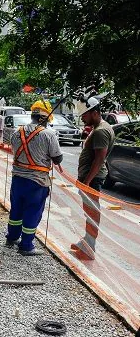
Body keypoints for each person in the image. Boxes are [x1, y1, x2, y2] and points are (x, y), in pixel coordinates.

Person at [6, 100, 63, 256]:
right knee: (32, 212)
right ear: (43, 119)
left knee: (16, 209)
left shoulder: (17, 132)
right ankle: (26, 245)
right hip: (36, 182)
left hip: (18, 179)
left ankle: (11, 237)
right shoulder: (48, 134)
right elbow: (58, 159)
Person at [72, 97, 115, 260]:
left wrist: (87, 182)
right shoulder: (98, 128)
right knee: (89, 211)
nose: (82, 118)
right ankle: (87, 241)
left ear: (95, 113)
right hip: (90, 178)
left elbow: (99, 159)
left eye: (85, 114)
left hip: (93, 179)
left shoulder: (101, 131)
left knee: (92, 212)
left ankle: (89, 248)